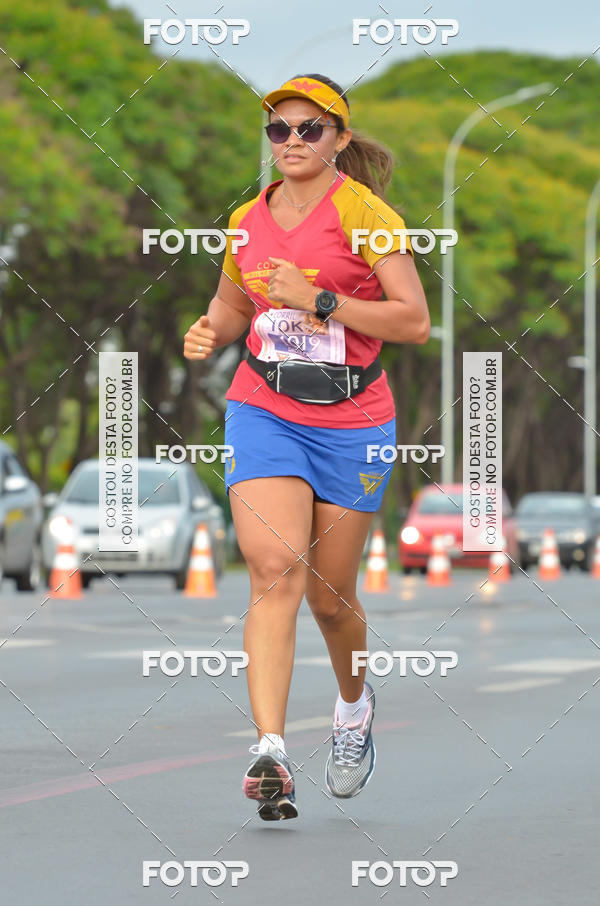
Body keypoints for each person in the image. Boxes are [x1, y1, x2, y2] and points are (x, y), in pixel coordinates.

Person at [183, 74, 430, 821]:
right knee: (272, 567)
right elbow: (231, 306)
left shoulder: (367, 214)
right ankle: (271, 749)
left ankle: (353, 711)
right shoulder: (245, 221)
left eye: (308, 129)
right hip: (265, 407)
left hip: (354, 418)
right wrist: (210, 331)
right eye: (278, 130)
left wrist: (317, 298)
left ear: (339, 139)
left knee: (331, 598)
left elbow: (413, 321)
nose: (291, 141)